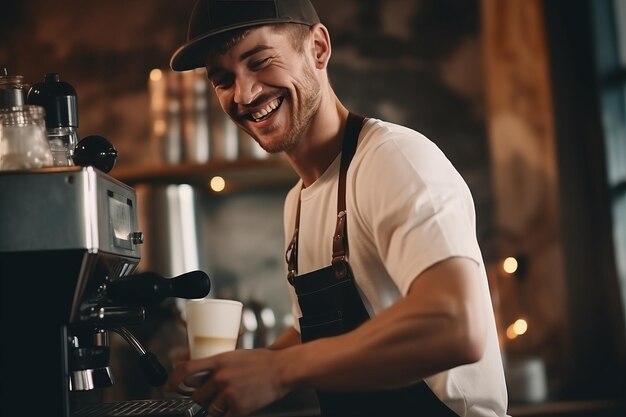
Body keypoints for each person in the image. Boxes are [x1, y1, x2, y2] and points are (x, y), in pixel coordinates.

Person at [166, 1, 509, 416]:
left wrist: (277, 370)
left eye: (259, 61)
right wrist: (235, 371)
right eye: (222, 79)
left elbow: (457, 325)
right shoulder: (297, 202)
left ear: (318, 49)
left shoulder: (393, 160)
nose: (244, 93)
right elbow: (323, 336)